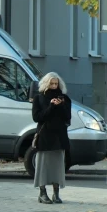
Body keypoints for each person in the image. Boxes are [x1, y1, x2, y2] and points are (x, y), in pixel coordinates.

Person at [31, 72, 71, 203]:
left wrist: (61, 106)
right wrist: (51, 106)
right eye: (51, 84)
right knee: (43, 166)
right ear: (46, 84)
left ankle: (56, 193)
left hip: (59, 137)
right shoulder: (39, 98)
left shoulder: (65, 98)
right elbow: (37, 118)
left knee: (58, 166)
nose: (54, 86)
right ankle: (42, 193)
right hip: (45, 136)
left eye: (56, 84)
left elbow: (67, 117)